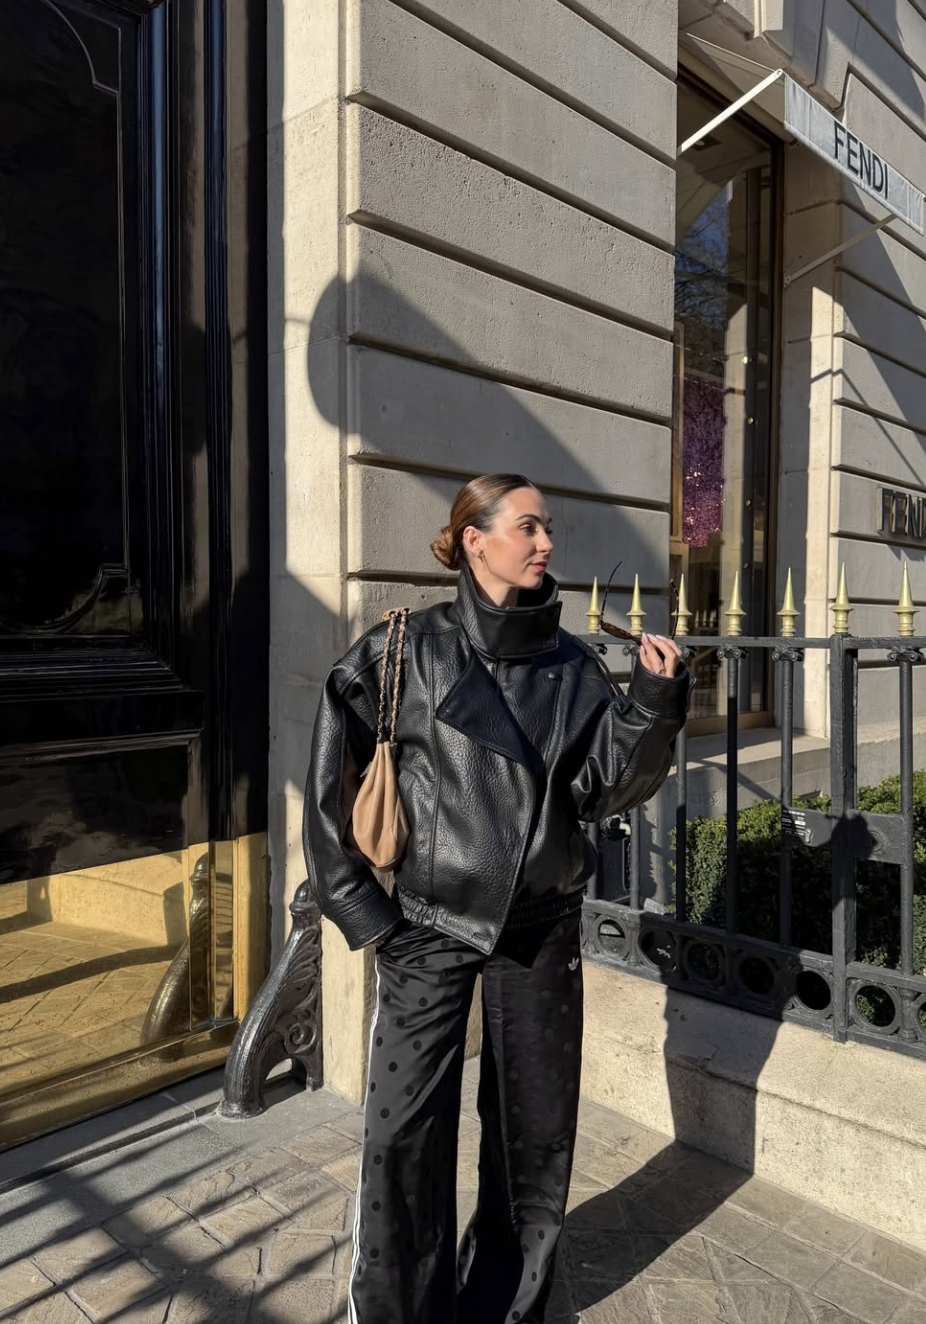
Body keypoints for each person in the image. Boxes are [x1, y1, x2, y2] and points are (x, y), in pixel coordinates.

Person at [303, 474, 690, 1324]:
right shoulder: (402, 649)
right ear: (474, 539)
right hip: (427, 925)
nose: (546, 543)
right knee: (404, 1136)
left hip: (540, 926)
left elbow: (604, 791)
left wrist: (654, 703)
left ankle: (508, 1306)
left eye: (548, 529)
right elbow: (329, 791)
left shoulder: (573, 665)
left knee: (533, 1138)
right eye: (528, 527)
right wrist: (369, 918)